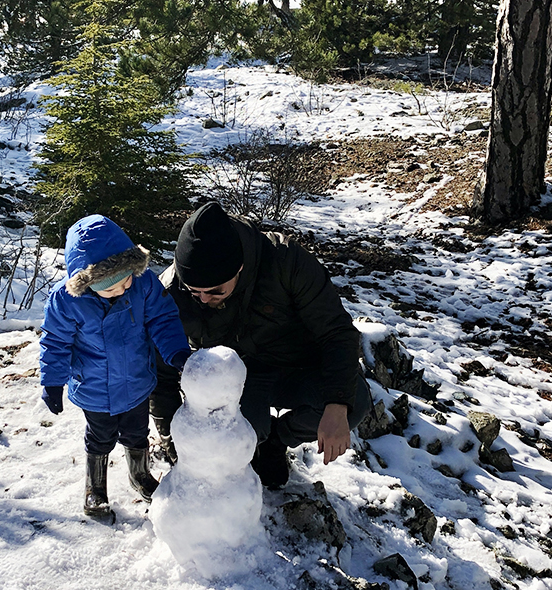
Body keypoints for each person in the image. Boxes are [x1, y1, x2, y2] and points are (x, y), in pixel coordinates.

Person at [151, 201, 371, 488]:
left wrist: (337, 405)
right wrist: (172, 437)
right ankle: (255, 444)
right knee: (234, 442)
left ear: (239, 267)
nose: (203, 299)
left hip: (298, 367)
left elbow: (337, 332)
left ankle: (278, 440)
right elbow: (160, 371)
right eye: (195, 292)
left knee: (354, 404)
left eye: (215, 290)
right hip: (239, 382)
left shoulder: (286, 262)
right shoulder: (169, 292)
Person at [40, 215, 190, 523]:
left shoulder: (143, 284)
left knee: (137, 432)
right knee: (100, 436)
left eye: (128, 280)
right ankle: (95, 488)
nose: (124, 288)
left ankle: (139, 474)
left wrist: (176, 352)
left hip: (136, 381)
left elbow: (163, 318)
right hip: (95, 387)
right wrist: (52, 381)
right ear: (91, 283)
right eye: (114, 287)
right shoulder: (67, 301)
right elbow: (54, 342)